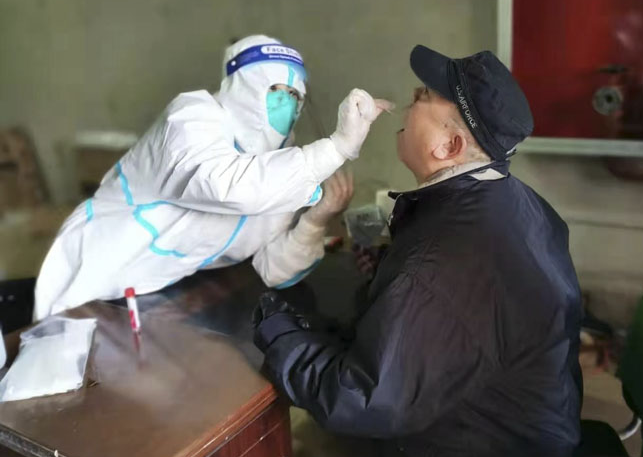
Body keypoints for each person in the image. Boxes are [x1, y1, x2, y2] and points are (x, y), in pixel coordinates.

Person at [252, 44, 583, 457]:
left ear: (448, 147)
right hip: (522, 427)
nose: (410, 97)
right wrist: (390, 275)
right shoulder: (510, 200)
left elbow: (361, 399)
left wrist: (277, 332)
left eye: (423, 95)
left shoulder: (443, 261)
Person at [34, 35, 392, 320]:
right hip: (92, 277)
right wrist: (336, 148)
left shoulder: (279, 166)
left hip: (161, 294)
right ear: (242, 88)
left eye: (295, 95)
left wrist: (316, 219)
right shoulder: (190, 119)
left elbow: (273, 268)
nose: (286, 104)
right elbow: (227, 187)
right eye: (274, 91)